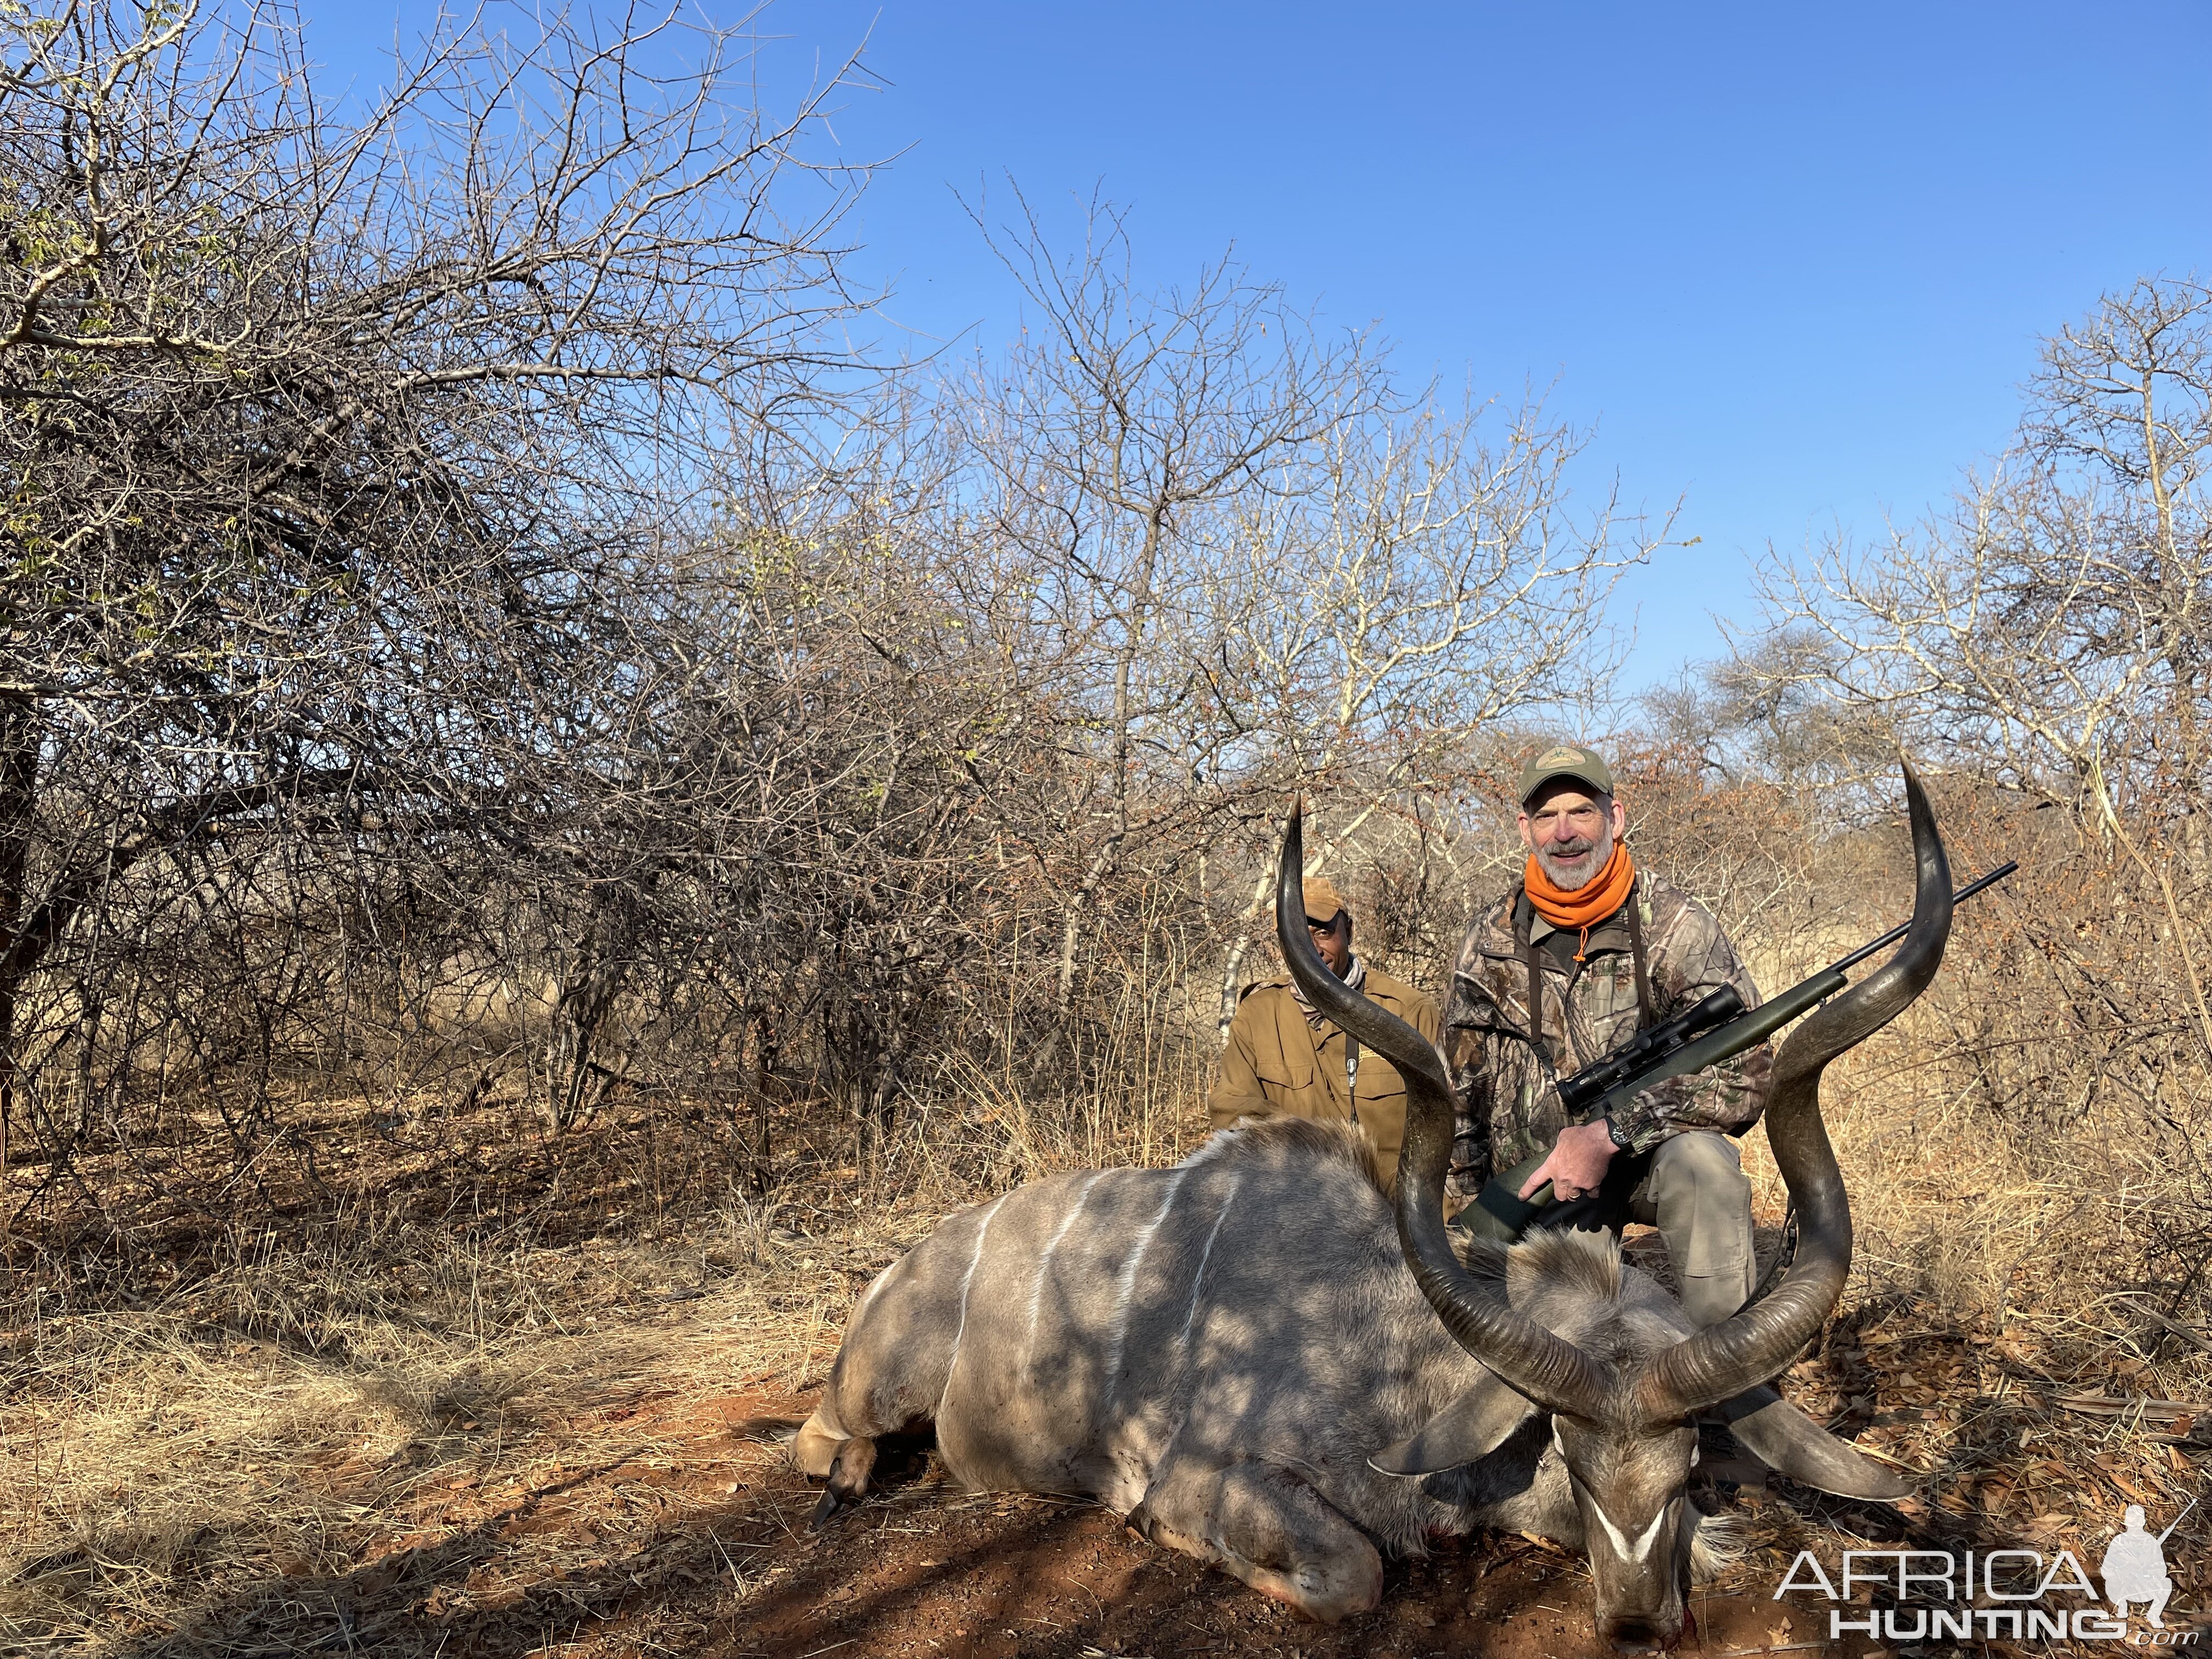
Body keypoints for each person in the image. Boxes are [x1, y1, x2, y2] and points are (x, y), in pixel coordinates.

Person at [1442, 743, 1773, 1329]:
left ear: (1615, 818)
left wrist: (1614, 1132)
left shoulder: (1675, 923)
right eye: (1546, 816)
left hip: (1650, 1157)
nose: (1564, 833)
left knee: (1706, 1168)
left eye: (1582, 812)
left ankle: (1725, 1383)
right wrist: (1469, 1218)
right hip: (1542, 1182)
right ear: (1526, 829)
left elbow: (1747, 1072)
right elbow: (1459, 1097)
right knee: (1573, 1341)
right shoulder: (1487, 941)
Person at [1209, 876, 1442, 1186]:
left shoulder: (1410, 1011)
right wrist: (1313, 1148)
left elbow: (1447, 1127)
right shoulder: (1257, 1014)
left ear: (1349, 931)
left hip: (1393, 1214)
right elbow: (1232, 1110)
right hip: (1297, 1207)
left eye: (1323, 932)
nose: (1312, 949)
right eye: (1296, 936)